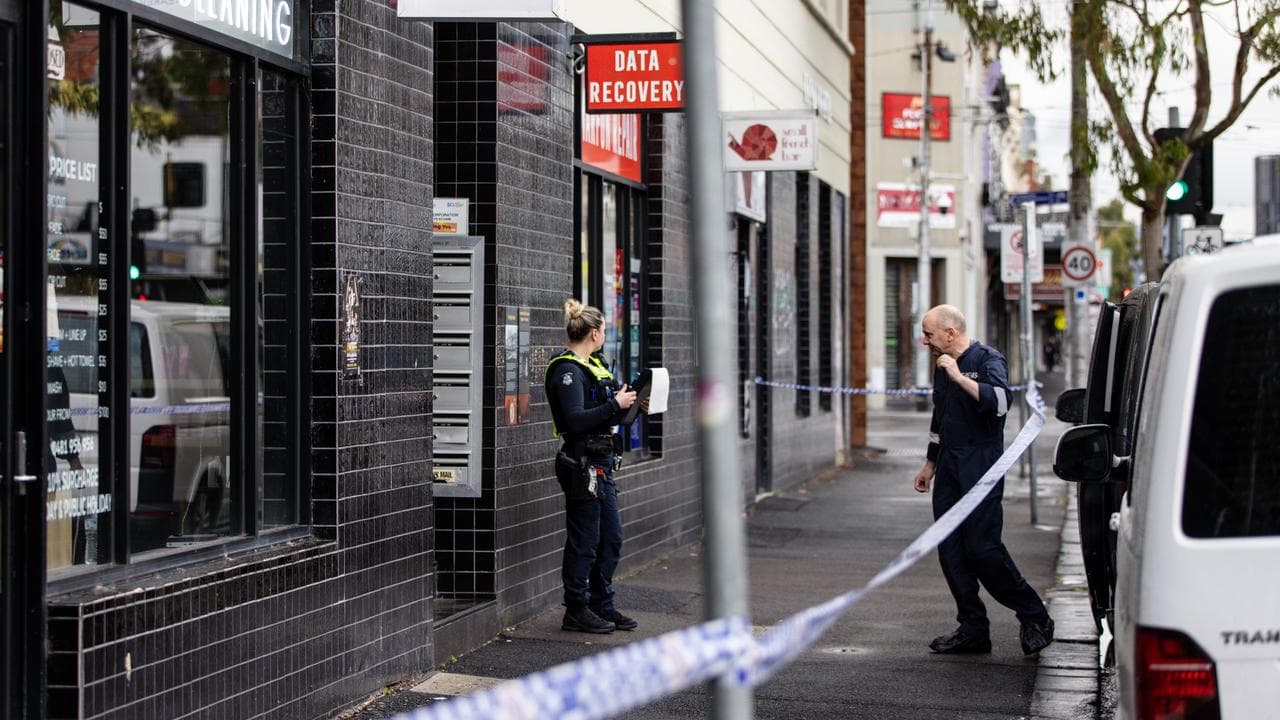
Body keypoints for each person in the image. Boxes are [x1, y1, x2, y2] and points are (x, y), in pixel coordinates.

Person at [912, 304, 1054, 655]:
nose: (925, 340)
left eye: (929, 333)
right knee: (951, 551)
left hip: (981, 468)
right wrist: (930, 464)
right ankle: (973, 628)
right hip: (949, 468)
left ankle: (1035, 616)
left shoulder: (988, 359)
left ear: (950, 332)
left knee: (983, 549)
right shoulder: (941, 367)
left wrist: (960, 377)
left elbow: (1002, 403)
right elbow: (940, 417)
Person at [545, 299, 639, 634]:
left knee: (610, 537)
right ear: (595, 333)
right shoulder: (568, 371)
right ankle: (577, 608)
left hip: (600, 462)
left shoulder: (595, 366)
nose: (605, 337)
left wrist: (630, 405)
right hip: (581, 463)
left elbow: (605, 416)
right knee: (585, 539)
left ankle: (602, 604)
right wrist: (614, 404)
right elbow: (575, 419)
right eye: (605, 332)